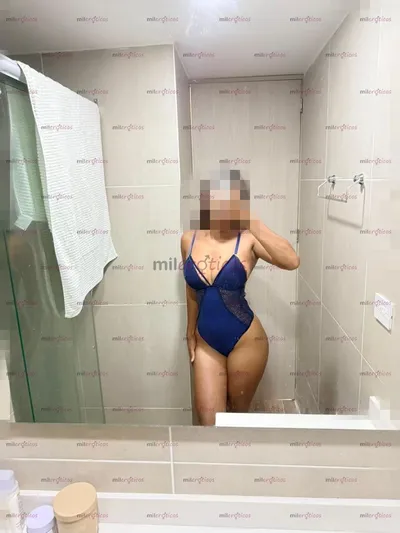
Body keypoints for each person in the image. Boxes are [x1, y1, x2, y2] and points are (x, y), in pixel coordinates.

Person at [181, 170, 300, 425]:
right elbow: (191, 289)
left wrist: (251, 220)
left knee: (236, 415)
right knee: (210, 422)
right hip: (206, 343)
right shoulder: (188, 239)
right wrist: (190, 332)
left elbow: (292, 261)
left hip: (246, 341)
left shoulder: (248, 239)